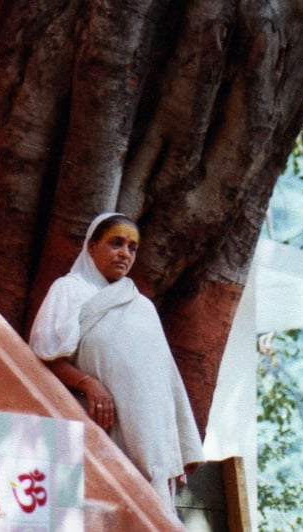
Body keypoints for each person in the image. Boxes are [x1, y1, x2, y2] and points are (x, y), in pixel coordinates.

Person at [29, 212, 204, 514]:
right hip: (99, 423)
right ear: (92, 246)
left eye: (132, 247)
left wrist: (175, 442)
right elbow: (44, 356)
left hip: (147, 433)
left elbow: (165, 380)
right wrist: (88, 383)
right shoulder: (68, 290)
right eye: (116, 243)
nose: (125, 253)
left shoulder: (142, 306)